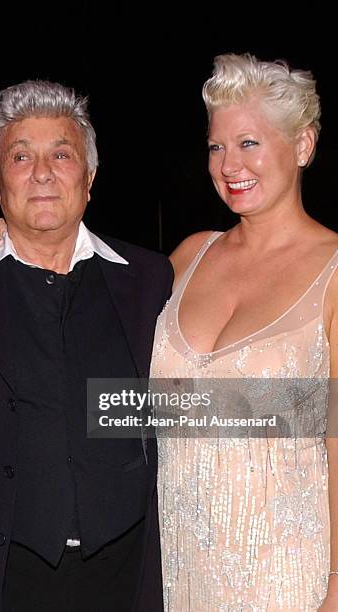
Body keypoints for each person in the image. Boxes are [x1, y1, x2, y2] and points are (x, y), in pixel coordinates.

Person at [0, 80, 173, 611]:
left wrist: (301, 410)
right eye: (20, 156)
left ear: (89, 178)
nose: (41, 172)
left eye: (61, 154)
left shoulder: (151, 282)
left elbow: (194, 407)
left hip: (126, 581)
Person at [150, 53, 338, 610]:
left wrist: (337, 581)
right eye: (216, 146)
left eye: (249, 143)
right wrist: (18, 249)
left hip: (288, 575)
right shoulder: (188, 256)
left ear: (302, 146)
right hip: (179, 569)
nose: (229, 164)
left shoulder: (332, 271)